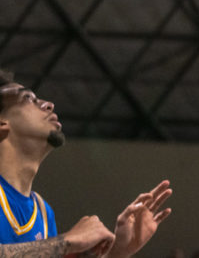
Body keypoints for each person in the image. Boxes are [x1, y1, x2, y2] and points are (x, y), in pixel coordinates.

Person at [0, 70, 172, 258]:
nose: (48, 104)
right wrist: (67, 241)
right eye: (29, 99)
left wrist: (117, 253)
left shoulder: (42, 211)